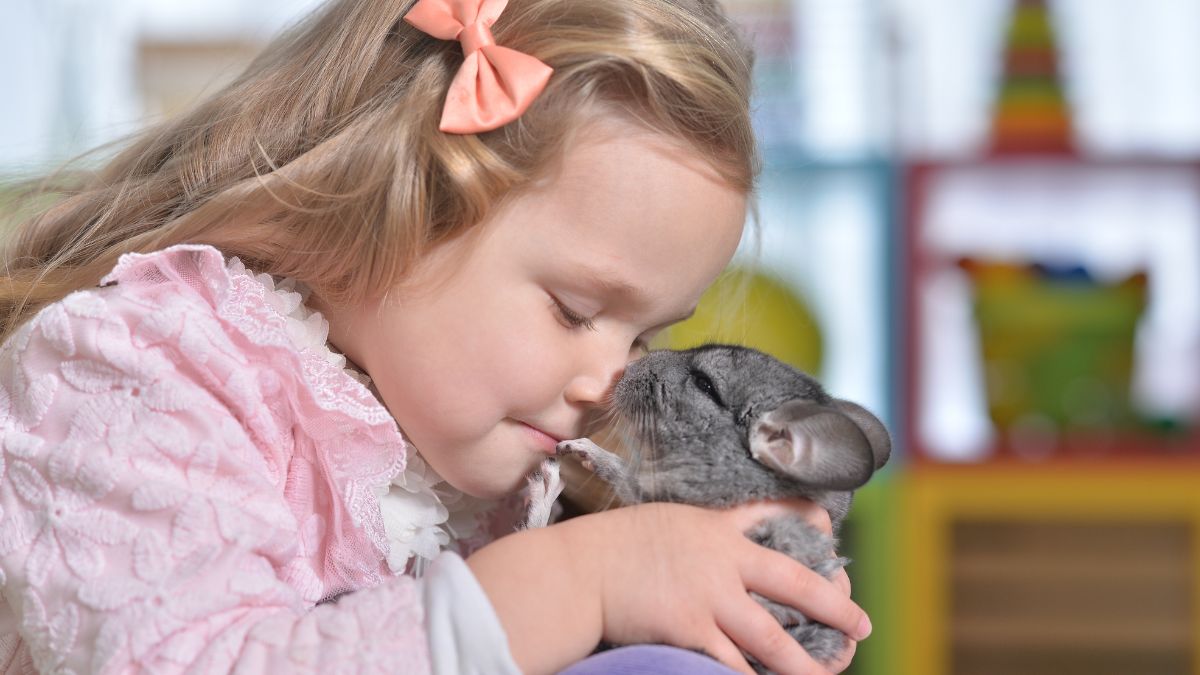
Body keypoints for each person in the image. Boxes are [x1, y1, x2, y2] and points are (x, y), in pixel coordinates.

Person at [0, 0, 871, 673]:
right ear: (405, 201)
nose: (608, 379)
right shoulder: (134, 369)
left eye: (642, 338)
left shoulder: (482, 449)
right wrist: (586, 579)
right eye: (572, 310)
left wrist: (730, 565)